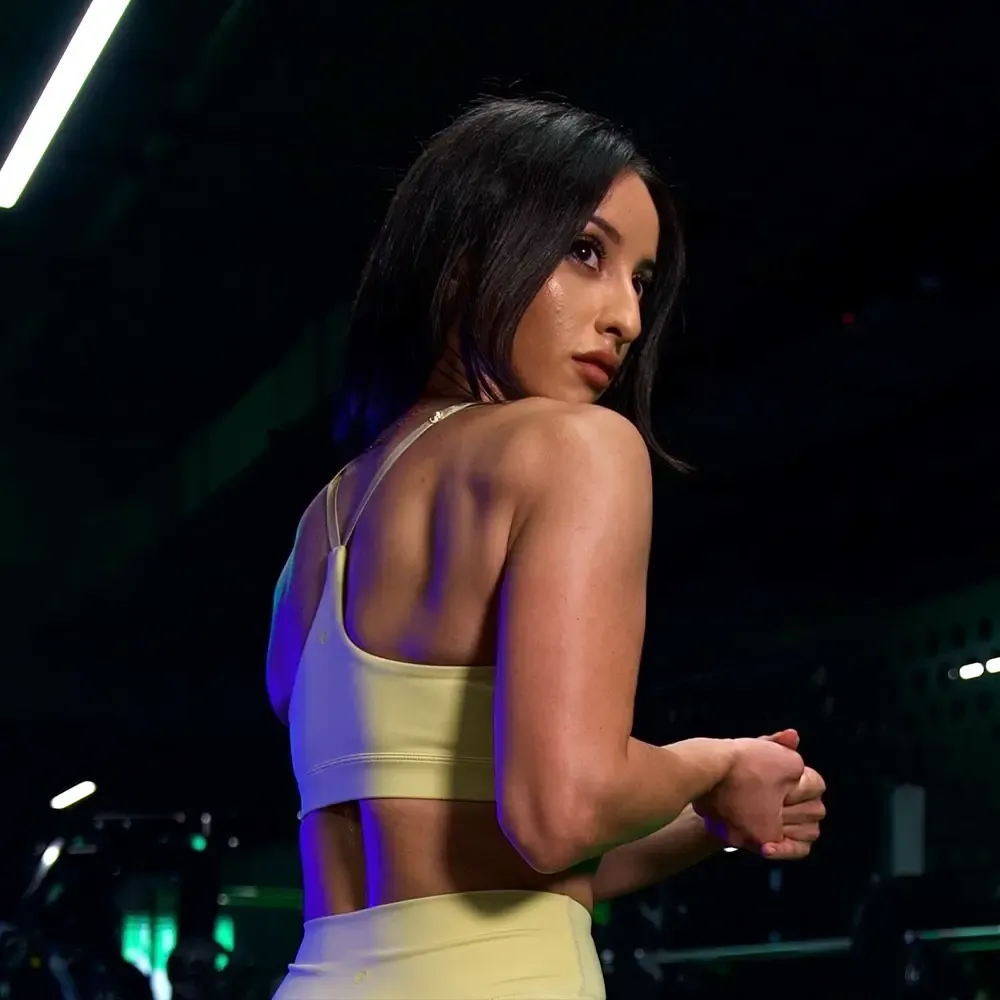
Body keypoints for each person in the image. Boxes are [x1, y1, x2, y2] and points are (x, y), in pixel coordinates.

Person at [265, 97, 827, 1000]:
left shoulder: (314, 535)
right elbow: (560, 813)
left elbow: (501, 874)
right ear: (463, 255)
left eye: (640, 280)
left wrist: (709, 818)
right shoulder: (575, 448)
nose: (626, 319)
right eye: (586, 253)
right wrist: (713, 759)